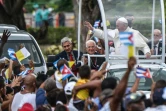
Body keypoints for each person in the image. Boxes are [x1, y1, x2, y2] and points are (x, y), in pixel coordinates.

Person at [84, 17, 151, 58]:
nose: (116, 27)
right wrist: (93, 29)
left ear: (124, 26)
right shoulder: (116, 32)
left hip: (131, 62)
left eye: (118, 26)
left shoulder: (134, 33)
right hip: (118, 62)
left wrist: (147, 52)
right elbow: (103, 34)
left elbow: (143, 46)